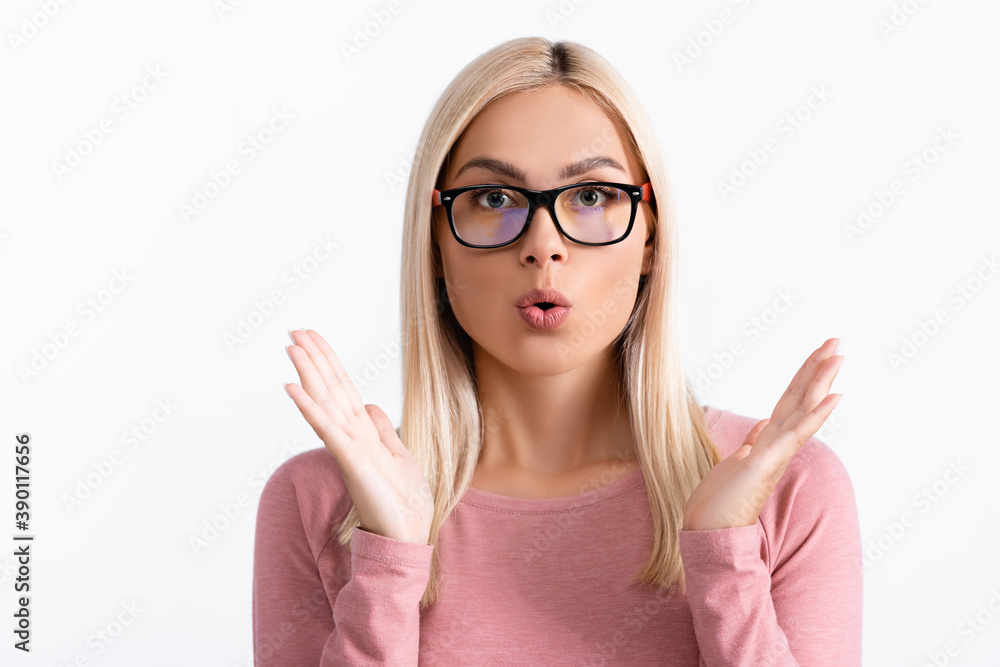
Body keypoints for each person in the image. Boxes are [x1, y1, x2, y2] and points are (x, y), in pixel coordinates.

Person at [252, 36, 861, 665]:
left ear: (650, 237)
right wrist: (388, 560)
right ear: (434, 245)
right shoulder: (323, 502)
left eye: (591, 196)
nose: (543, 245)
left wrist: (725, 556)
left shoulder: (787, 489)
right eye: (493, 199)